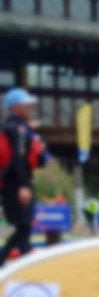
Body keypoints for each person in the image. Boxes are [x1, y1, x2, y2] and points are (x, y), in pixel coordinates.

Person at [0, 88, 49, 266]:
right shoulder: (19, 129)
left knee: (24, 227)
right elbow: (19, 157)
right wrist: (24, 185)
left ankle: (22, 260)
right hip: (17, 184)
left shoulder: (12, 126)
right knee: (24, 226)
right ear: (15, 107)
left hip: (8, 183)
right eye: (26, 103)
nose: (30, 106)